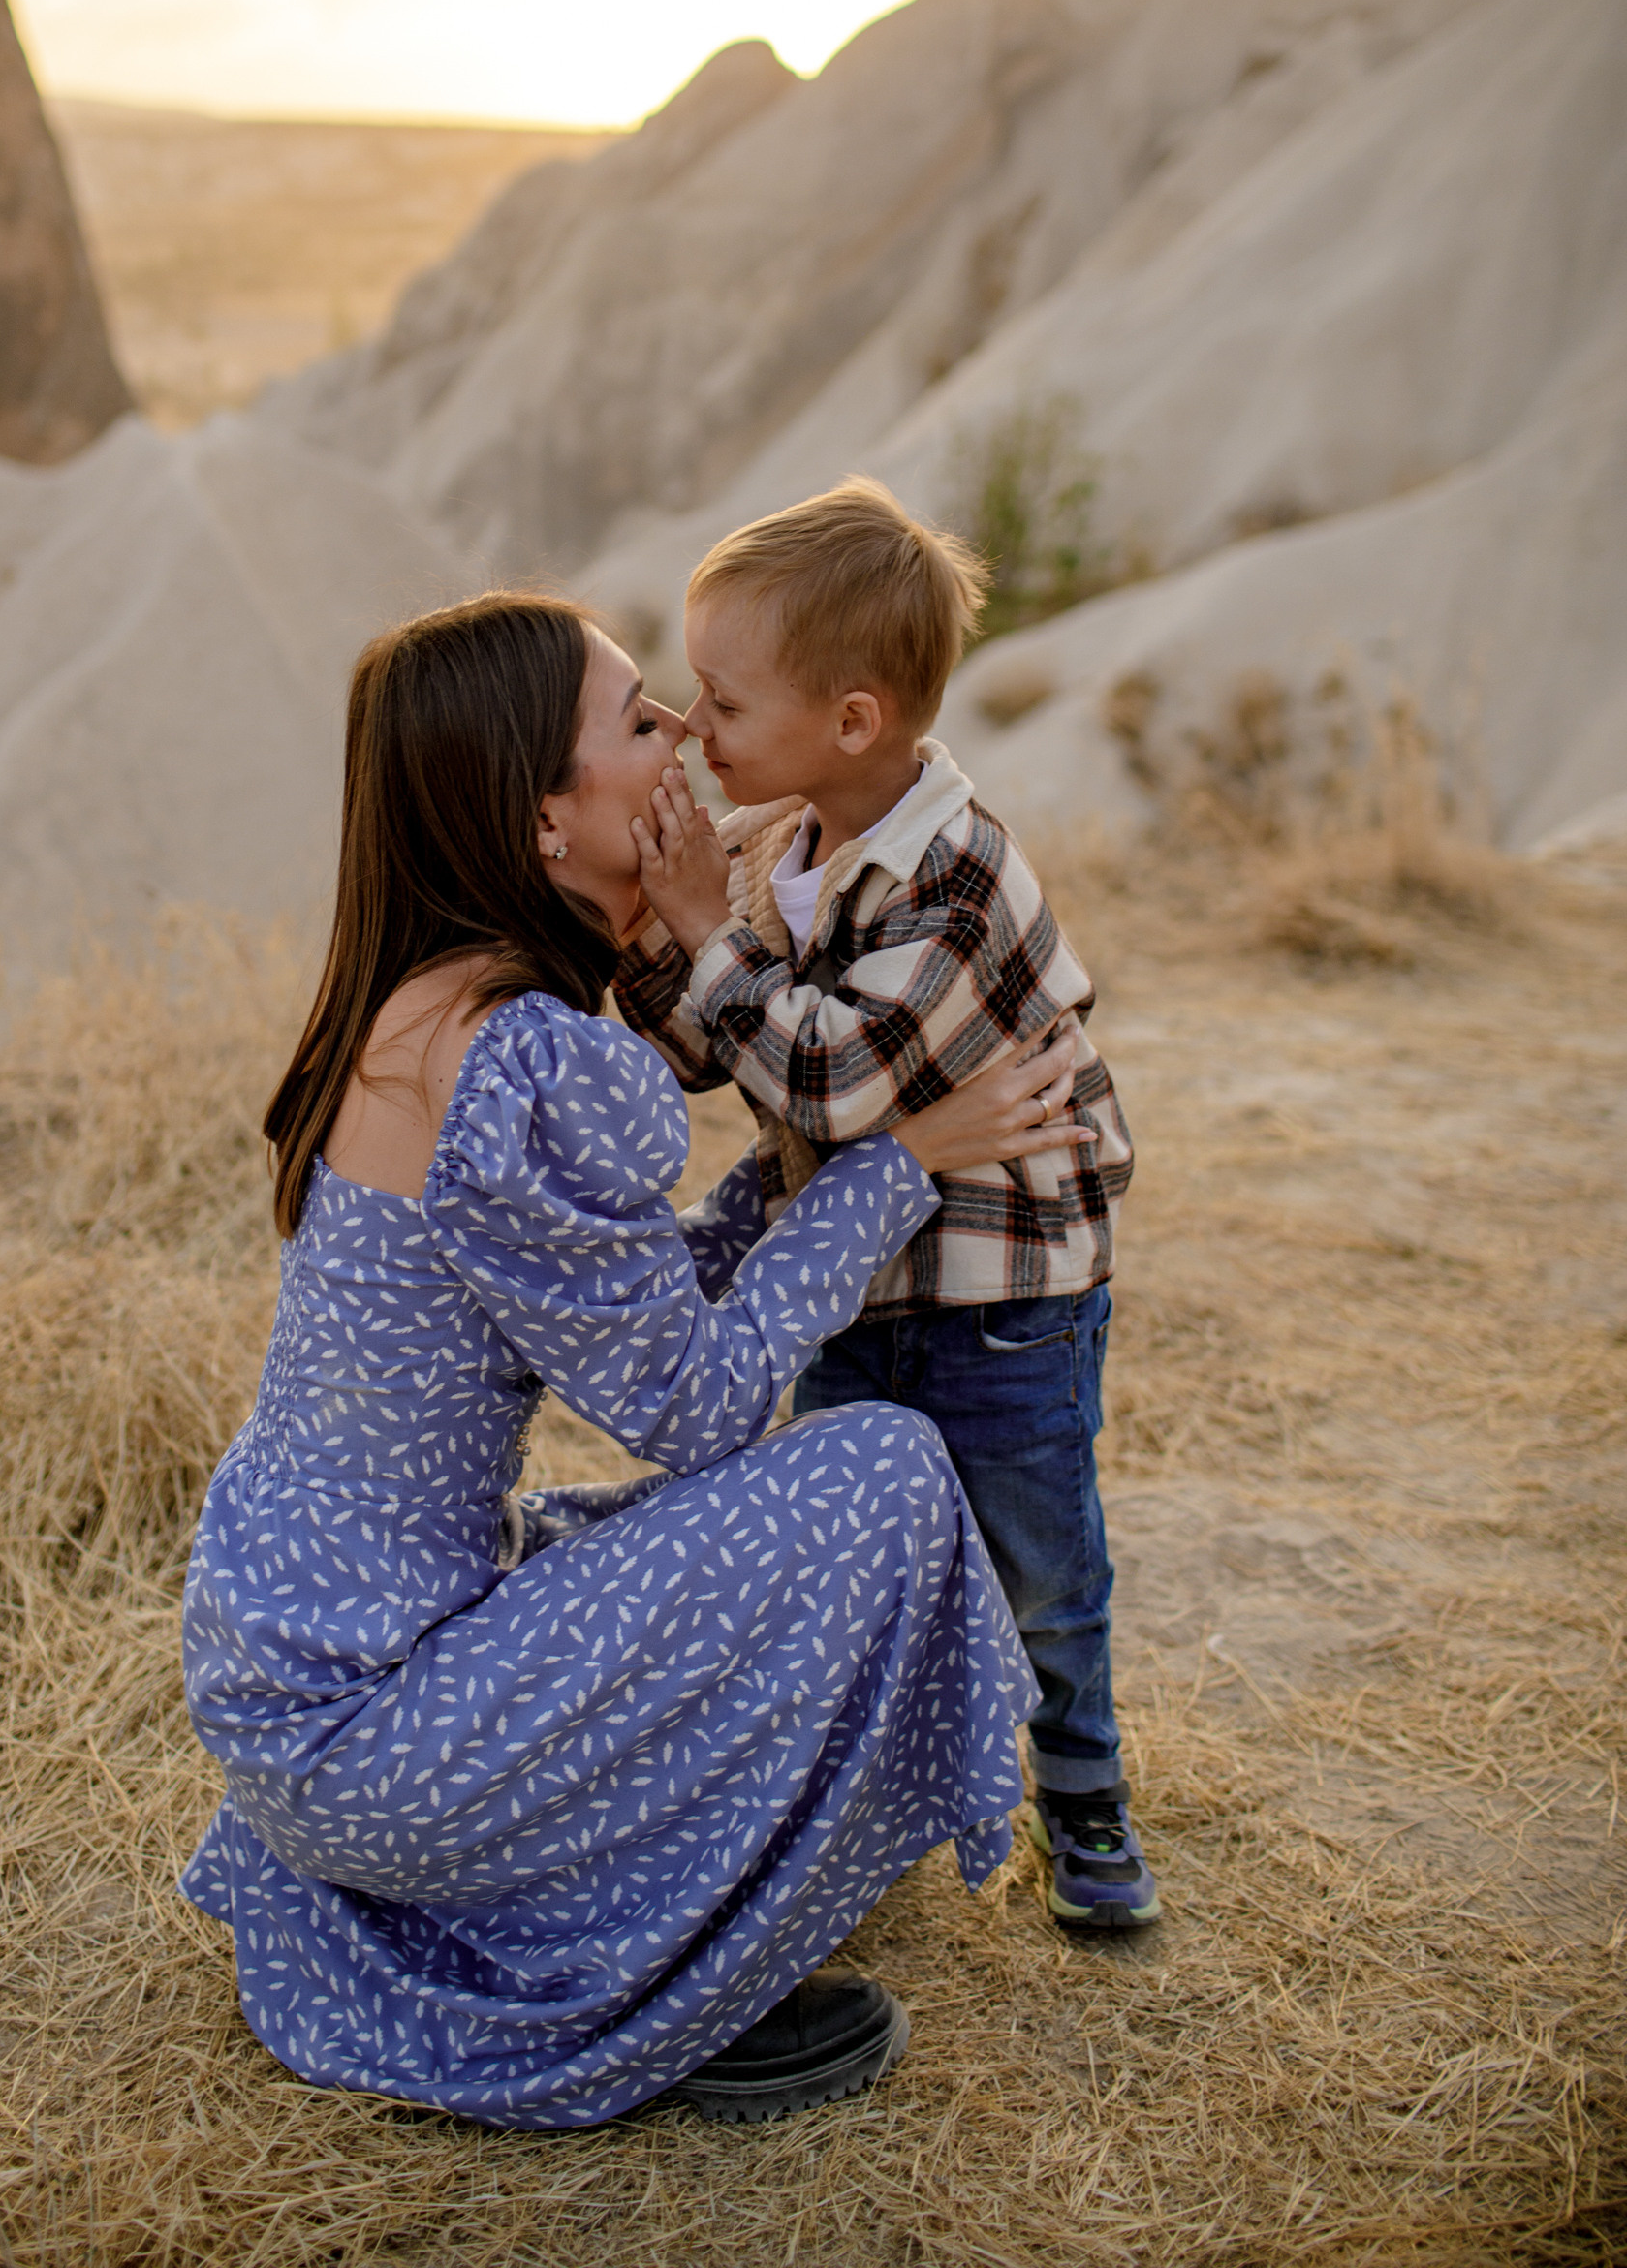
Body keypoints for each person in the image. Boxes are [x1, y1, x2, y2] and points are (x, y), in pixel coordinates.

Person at [178, 591, 1087, 2130]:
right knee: (875, 1468)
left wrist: (809, 1154)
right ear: (545, 817)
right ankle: (665, 1972)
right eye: (637, 720)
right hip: (374, 1730)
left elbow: (641, 1301)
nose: (679, 739)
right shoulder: (522, 1058)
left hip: (291, 1685)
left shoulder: (426, 1009)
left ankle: (619, 1894)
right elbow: (698, 1406)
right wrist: (901, 1160)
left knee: (624, 1551)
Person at [616, 478, 1157, 1929]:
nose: (690, 727)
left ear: (852, 723)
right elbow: (694, 1051)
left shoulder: (959, 874)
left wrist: (694, 933)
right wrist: (650, 927)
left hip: (1001, 1306)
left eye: (722, 704)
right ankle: (871, 1804)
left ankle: (1085, 1798)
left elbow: (832, 1081)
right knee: (857, 1564)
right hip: (858, 1282)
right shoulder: (780, 847)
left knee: (1038, 1568)